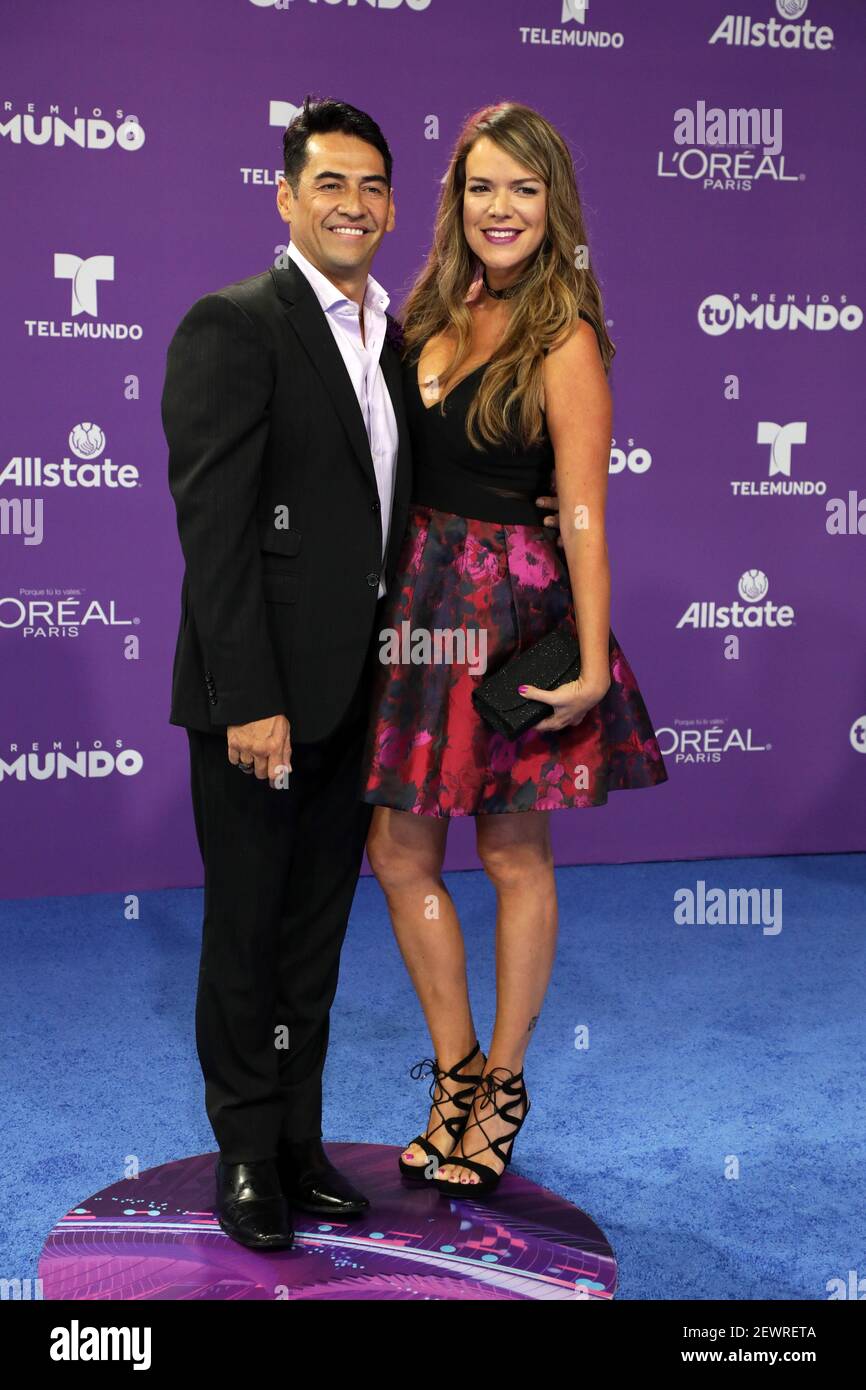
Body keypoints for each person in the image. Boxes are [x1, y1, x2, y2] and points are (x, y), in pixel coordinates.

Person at [362, 102, 668, 1195]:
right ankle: (450, 1074)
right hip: (416, 605)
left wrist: (587, 661)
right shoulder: (426, 313)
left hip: (509, 618)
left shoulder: (563, 333)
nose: (501, 208)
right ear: (454, 200)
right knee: (397, 855)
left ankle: (503, 1083)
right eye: (482, 186)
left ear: (554, 207)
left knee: (508, 855)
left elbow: (580, 510)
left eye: (523, 190)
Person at [161, 97, 413, 1250]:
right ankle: (246, 1156)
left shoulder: (389, 336)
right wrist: (245, 696)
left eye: (370, 186)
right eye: (329, 184)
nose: (351, 204)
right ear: (285, 196)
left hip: (359, 689)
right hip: (259, 701)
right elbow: (215, 531)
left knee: (315, 931)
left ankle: (301, 1140)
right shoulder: (236, 323)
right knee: (248, 928)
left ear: (391, 206)